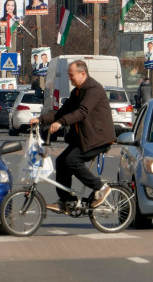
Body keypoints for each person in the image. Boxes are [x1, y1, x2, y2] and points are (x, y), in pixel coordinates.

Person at [30, 60, 115, 212]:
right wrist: (40, 120)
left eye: (71, 75)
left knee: (71, 161)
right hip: (84, 138)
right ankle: (67, 201)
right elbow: (62, 111)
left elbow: (82, 112)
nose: (70, 78)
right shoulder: (76, 92)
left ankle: (100, 188)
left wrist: (61, 123)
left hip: (98, 138)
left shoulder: (93, 89)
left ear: (83, 74)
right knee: (62, 162)